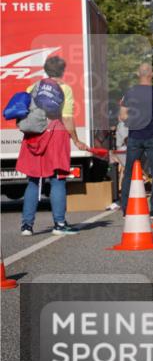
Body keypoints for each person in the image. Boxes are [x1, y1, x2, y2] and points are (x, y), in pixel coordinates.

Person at [18, 55, 89, 236]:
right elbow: (67, 118)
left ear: (46, 70)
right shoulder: (65, 89)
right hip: (56, 135)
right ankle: (59, 224)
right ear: (63, 71)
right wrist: (76, 140)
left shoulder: (33, 87)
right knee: (58, 180)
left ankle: (27, 226)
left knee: (34, 180)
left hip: (34, 136)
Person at [118, 62, 153, 217]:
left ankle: (126, 208)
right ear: (152, 74)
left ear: (138, 74)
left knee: (129, 172)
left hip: (135, 137)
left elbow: (122, 116)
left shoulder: (129, 93)